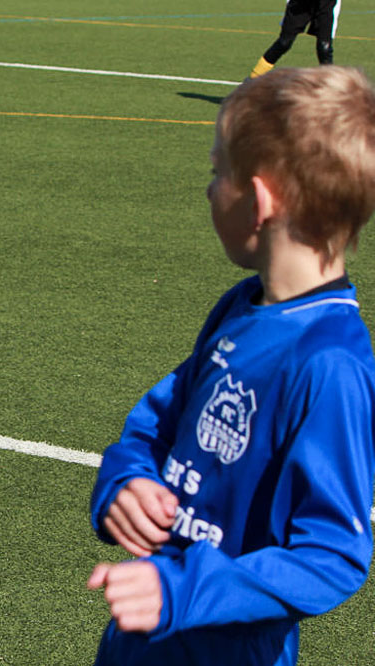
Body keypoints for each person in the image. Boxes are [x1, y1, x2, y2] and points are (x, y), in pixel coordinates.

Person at [87, 65, 375, 665]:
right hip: (144, 644)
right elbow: (159, 420)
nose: (209, 189)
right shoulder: (242, 306)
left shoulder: (331, 365)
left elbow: (333, 557)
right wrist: (125, 480)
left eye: (218, 172)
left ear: (260, 201)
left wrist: (187, 591)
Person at [250, 0, 342, 78]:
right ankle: (253, 78)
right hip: (300, 4)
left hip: (326, 4)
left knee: (324, 48)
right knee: (284, 43)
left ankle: (330, 85)